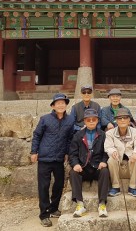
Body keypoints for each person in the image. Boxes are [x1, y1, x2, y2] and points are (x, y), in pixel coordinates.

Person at [31, 93, 75, 227]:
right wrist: (34, 152)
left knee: (59, 184)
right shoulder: (45, 119)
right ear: (53, 106)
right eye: (58, 103)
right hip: (44, 157)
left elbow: (69, 138)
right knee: (43, 186)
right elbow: (37, 135)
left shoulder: (70, 120)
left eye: (63, 103)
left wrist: (67, 153)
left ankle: (54, 208)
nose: (61, 105)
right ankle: (44, 214)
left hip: (59, 158)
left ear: (66, 105)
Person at [68, 108, 110, 218]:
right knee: (73, 173)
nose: (91, 122)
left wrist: (103, 161)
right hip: (83, 167)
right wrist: (75, 164)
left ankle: (102, 204)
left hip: (97, 167)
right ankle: (80, 204)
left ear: (97, 121)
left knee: (105, 172)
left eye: (94, 119)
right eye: (88, 120)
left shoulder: (103, 135)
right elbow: (72, 153)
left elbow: (107, 151)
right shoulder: (78, 135)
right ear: (84, 121)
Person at [103, 107, 136, 198]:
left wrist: (135, 153)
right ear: (116, 120)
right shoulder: (110, 133)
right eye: (119, 118)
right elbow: (108, 146)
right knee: (111, 160)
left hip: (130, 161)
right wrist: (113, 151)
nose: (122, 120)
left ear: (129, 120)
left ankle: (132, 186)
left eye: (125, 118)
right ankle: (115, 186)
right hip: (117, 160)